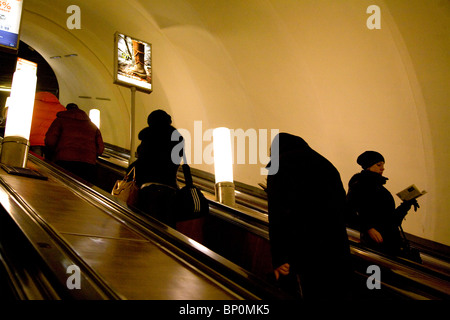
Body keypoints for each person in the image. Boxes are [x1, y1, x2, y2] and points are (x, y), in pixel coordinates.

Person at [266, 133, 352, 300]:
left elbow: (278, 215)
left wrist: (279, 257)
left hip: (304, 249)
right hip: (336, 246)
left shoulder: (279, 165)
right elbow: (343, 206)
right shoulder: (327, 164)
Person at [346, 151, 419, 258]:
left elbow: (391, 220)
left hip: (389, 242)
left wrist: (407, 204)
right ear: (368, 166)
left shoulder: (379, 186)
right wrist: (368, 228)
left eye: (383, 165)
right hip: (376, 245)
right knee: (376, 272)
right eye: (379, 165)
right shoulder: (359, 185)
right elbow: (348, 211)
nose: (383, 168)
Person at [131, 109, 184, 228]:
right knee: (166, 227)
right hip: (170, 188)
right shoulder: (177, 138)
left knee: (146, 225)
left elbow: (142, 161)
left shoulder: (149, 136)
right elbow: (176, 161)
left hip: (148, 188)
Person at [45, 103, 104, 184]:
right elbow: (100, 150)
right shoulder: (93, 126)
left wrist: (54, 152)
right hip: (88, 167)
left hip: (64, 163)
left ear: (66, 110)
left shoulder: (60, 121)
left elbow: (50, 141)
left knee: (63, 188)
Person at [29, 92, 66, 157]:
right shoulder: (61, 108)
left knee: (34, 162)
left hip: (33, 140)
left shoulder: (31, 105)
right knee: (47, 165)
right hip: (51, 142)